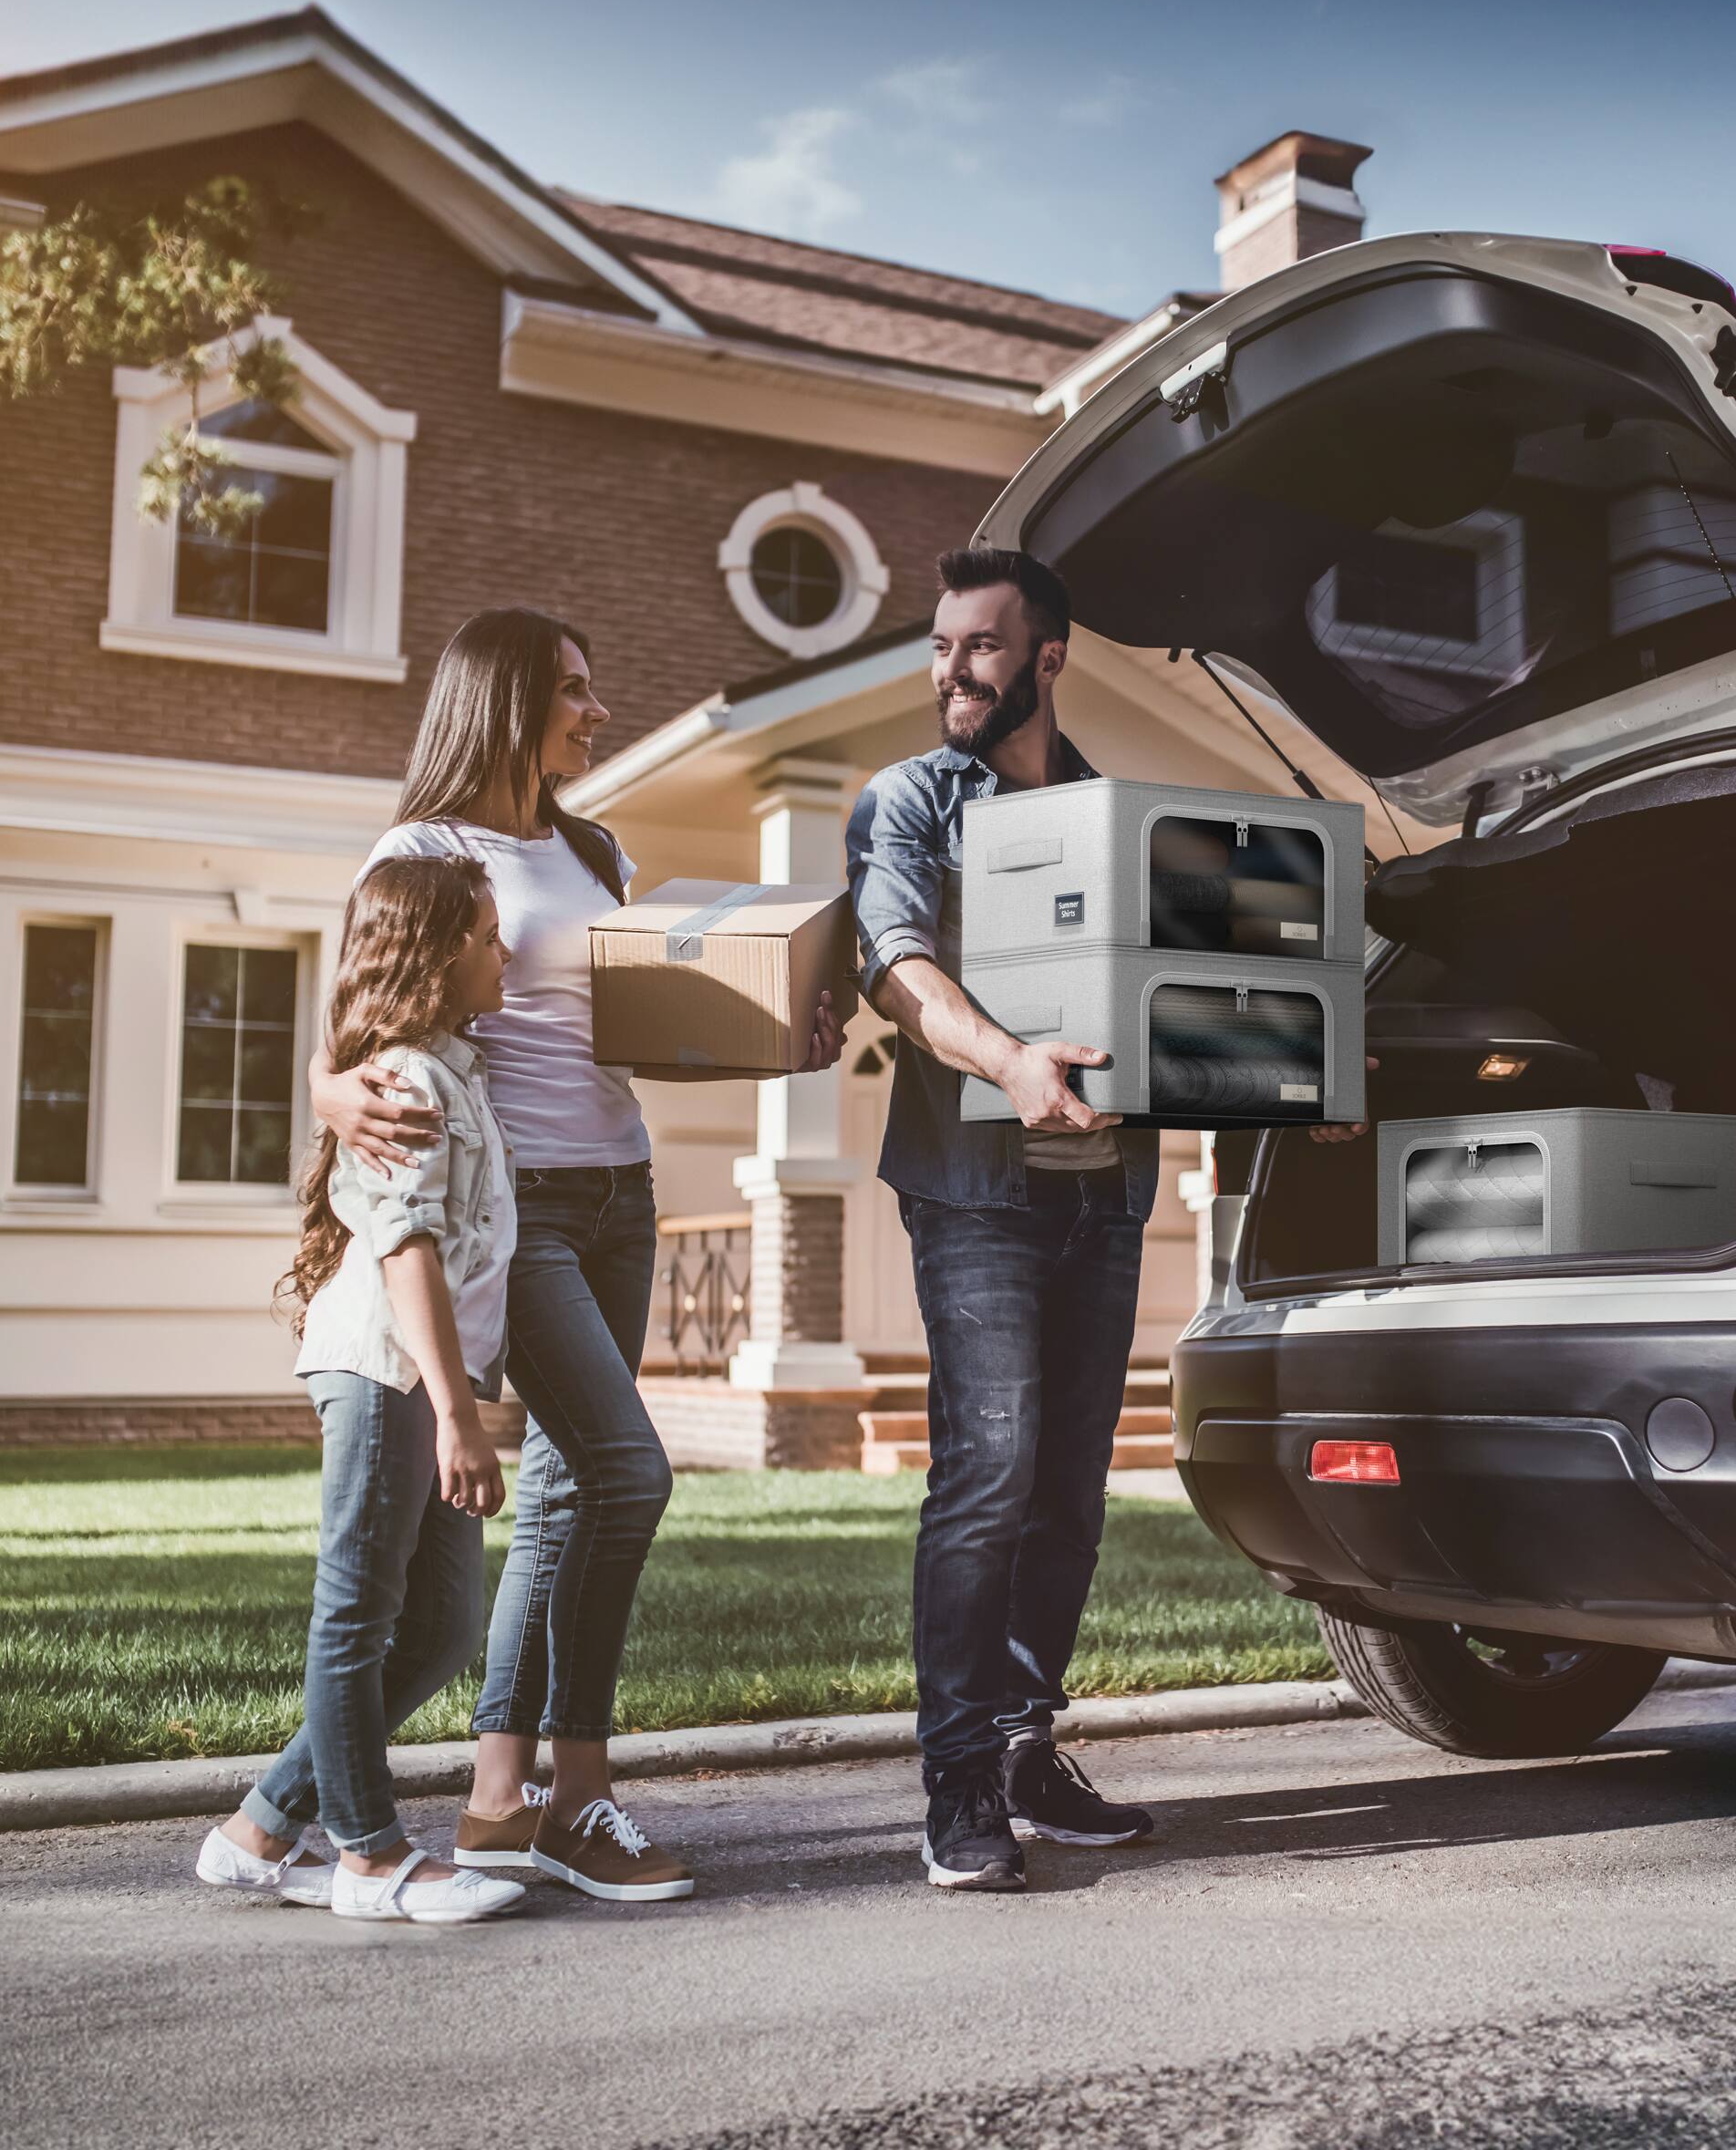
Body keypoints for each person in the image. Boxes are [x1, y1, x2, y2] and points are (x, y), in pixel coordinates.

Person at [847, 547, 1372, 1893]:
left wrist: (1290, 1089)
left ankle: (1028, 1748)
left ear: (1048, 657)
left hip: (1105, 1198)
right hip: (976, 1199)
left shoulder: (1113, 819)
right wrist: (1013, 1058)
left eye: (979, 646)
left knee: (1070, 1493)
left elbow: (1189, 996)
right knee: (990, 1473)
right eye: (942, 646)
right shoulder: (910, 801)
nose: (952, 671)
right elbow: (902, 968)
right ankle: (957, 1781)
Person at [312, 608, 843, 1904]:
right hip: (522, 1207)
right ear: (505, 699)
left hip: (622, 1189)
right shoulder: (424, 848)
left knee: (564, 1491)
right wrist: (330, 1101)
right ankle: (579, 1795)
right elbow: (361, 1020)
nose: (597, 713)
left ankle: (501, 1799)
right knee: (627, 1473)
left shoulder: (592, 846)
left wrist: (779, 1039)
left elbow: (618, 1031)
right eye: (575, 691)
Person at [196, 855, 528, 1924]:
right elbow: (405, 1253)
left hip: (422, 1375)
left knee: (438, 1630)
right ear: (438, 954)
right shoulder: (405, 1083)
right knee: (358, 1614)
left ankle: (257, 1831)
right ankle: (370, 1856)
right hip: (387, 1369)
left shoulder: (455, 1067)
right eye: (487, 934)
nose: (505, 951)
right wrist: (456, 1412)